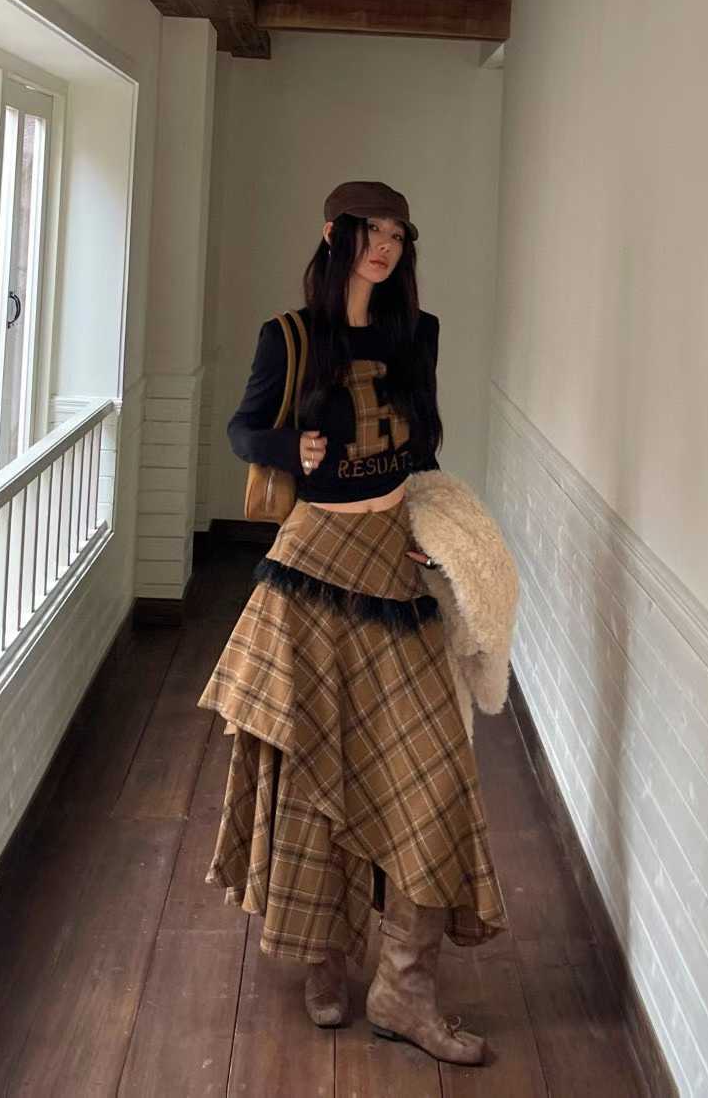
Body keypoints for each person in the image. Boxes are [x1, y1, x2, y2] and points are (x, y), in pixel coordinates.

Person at [197, 180, 508, 1066]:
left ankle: (404, 989)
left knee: (436, 769)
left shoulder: (419, 333)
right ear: (335, 235)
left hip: (390, 563)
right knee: (314, 768)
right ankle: (325, 960)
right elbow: (242, 427)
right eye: (372, 232)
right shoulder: (290, 336)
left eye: (398, 235)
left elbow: (424, 452)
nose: (386, 247)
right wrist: (283, 445)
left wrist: (429, 531)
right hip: (309, 566)